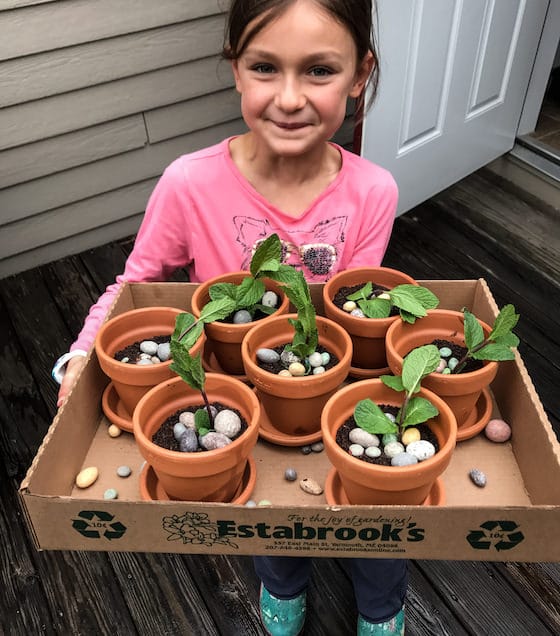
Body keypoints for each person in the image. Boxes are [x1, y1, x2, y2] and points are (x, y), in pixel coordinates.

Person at [52, 1, 405, 634]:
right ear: (235, 72)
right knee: (263, 503)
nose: (290, 98)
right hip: (233, 393)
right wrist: (83, 351)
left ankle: (381, 602)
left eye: (320, 70)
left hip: (332, 389)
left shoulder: (373, 190)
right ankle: (283, 583)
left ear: (360, 75)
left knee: (381, 504)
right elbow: (137, 285)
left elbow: (355, 306)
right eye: (265, 67)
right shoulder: (190, 184)